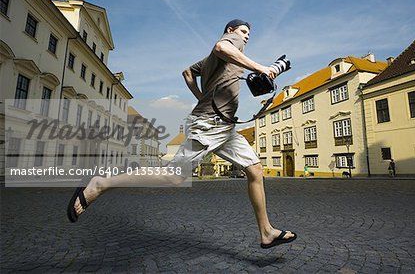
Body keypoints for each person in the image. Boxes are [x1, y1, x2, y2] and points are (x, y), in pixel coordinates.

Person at [67, 19, 297, 249]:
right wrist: (262, 68)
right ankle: (100, 184)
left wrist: (201, 96)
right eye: (243, 31)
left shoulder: (212, 61)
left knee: (255, 170)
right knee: (173, 176)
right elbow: (221, 48)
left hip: (225, 128)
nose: (246, 36)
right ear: (230, 31)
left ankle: (266, 232)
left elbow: (187, 72)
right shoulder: (232, 43)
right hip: (209, 125)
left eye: (248, 34)